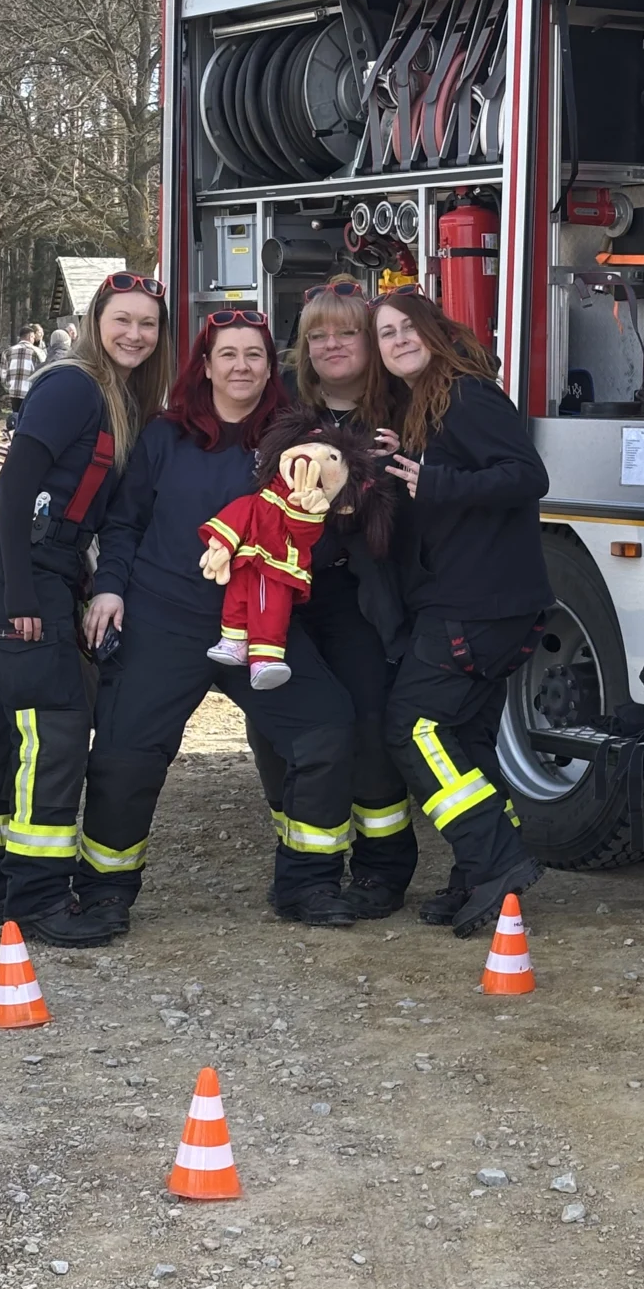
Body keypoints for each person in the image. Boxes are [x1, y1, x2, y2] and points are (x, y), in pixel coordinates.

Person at [75, 309, 384, 933]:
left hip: (263, 627)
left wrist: (326, 515)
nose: (241, 366)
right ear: (206, 366)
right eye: (228, 355)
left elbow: (320, 543)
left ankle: (308, 882)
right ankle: (105, 890)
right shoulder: (165, 436)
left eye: (254, 355)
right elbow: (125, 522)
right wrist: (108, 589)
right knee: (127, 753)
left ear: (271, 368)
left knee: (325, 728)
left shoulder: (297, 443)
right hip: (166, 616)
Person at [0, 272, 172, 945]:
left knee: (12, 722)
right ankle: (40, 899)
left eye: (148, 323)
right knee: (56, 726)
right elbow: (17, 487)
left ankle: (0, 886)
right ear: (94, 322)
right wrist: (20, 594)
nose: (135, 334)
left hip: (50, 564)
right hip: (18, 562)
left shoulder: (123, 399)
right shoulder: (72, 386)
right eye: (122, 320)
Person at [373, 290, 551, 940]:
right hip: (485, 606)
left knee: (413, 727)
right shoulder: (430, 405)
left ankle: (495, 860)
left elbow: (527, 476)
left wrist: (435, 481)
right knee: (467, 739)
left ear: (435, 331)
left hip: (476, 608)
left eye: (408, 327)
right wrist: (408, 458)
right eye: (386, 333)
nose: (398, 340)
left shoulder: (467, 395)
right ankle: (480, 872)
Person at [269, 278, 418, 917]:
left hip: (360, 597)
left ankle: (383, 869)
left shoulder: (407, 411)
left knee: (368, 723)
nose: (332, 345)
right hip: (285, 597)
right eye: (318, 335)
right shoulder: (280, 409)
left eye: (347, 332)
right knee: (285, 732)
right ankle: (305, 866)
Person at [2, 323, 45, 412]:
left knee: (16, 415)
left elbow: (3, 373)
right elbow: (43, 371)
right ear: (30, 337)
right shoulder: (38, 352)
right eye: (33, 337)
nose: (34, 340)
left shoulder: (7, 352)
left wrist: (8, 387)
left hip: (13, 391)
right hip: (30, 391)